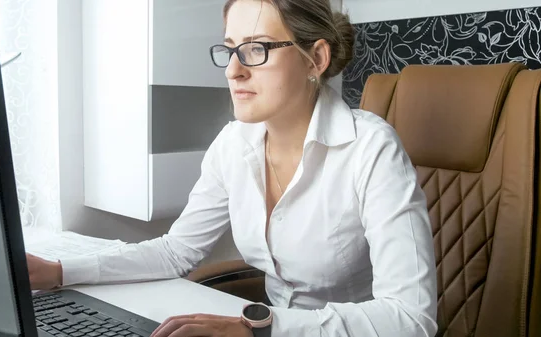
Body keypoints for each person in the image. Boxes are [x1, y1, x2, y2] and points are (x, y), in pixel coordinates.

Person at [27, 0, 438, 336]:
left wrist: (261, 329)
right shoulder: (233, 143)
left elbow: (410, 317)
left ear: (315, 58)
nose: (232, 70)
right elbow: (176, 252)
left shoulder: (370, 149)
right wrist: (60, 272)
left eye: (256, 49)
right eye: (229, 49)